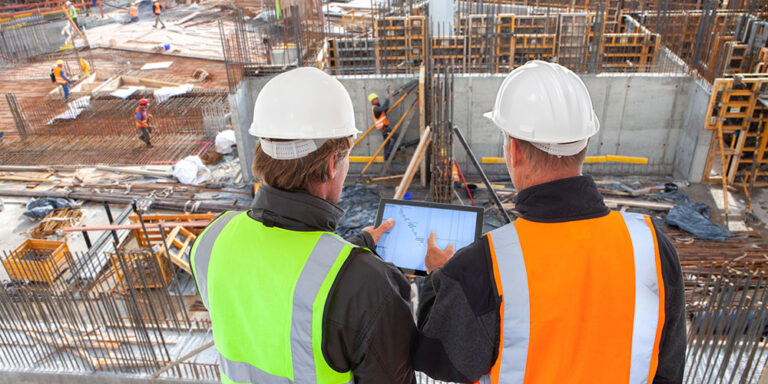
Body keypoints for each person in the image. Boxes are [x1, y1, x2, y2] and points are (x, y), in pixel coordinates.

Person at [412, 60, 686, 383]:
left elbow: (435, 355)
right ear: (585, 144)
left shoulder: (486, 265)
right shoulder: (652, 247)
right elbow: (668, 369)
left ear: (514, 152)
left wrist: (437, 277)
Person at [189, 67, 417, 384]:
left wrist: (357, 248)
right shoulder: (370, 287)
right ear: (331, 163)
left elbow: (274, 291)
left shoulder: (211, 240)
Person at [368, 92, 396, 159]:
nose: (377, 99)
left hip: (383, 127)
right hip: (384, 128)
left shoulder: (377, 107)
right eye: (375, 99)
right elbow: (383, 108)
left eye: (377, 98)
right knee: (396, 138)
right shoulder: (375, 108)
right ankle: (390, 153)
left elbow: (383, 109)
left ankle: (386, 156)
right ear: (372, 101)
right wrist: (387, 99)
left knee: (387, 142)